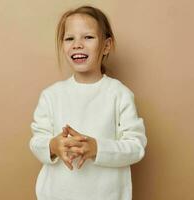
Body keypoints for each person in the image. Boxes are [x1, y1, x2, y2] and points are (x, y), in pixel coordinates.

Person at [29, 5, 147, 200]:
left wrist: (97, 148)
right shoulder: (51, 95)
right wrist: (53, 145)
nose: (77, 44)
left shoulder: (119, 94)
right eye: (69, 38)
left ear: (106, 45)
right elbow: (36, 141)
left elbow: (136, 147)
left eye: (88, 37)